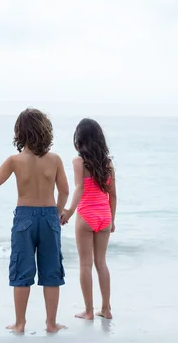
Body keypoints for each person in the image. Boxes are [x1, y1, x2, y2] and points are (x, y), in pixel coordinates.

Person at [0, 108, 69, 334]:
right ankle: (51, 324)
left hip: (24, 217)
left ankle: (20, 323)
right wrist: (57, 212)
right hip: (48, 217)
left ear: (19, 133)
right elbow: (64, 190)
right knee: (51, 271)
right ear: (46, 131)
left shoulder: (15, 161)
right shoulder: (54, 159)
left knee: (21, 271)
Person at [60, 118, 116, 320]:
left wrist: (68, 211)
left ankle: (89, 311)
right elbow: (113, 195)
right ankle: (107, 309)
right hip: (104, 216)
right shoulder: (108, 164)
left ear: (80, 139)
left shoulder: (79, 162)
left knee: (85, 264)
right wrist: (113, 220)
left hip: (86, 216)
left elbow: (79, 188)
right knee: (101, 263)